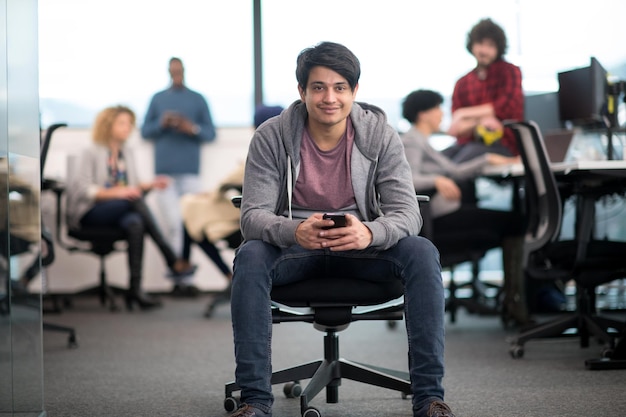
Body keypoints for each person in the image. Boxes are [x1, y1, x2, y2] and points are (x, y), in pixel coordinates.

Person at [228, 42, 455, 417]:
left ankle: (429, 398)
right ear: (302, 92)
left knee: (421, 250)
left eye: (340, 87)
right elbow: (252, 216)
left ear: (354, 92)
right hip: (295, 250)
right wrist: (294, 231)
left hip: (362, 247)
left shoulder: (379, 135)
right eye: (318, 87)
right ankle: (254, 402)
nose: (329, 97)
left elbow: (407, 213)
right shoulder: (272, 136)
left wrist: (370, 232)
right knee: (250, 254)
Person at [400, 89, 529, 325]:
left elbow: (456, 172)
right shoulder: (412, 141)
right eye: (438, 108)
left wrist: (488, 159)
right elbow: (408, 179)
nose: (442, 114)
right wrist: (437, 180)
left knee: (511, 221)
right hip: (436, 220)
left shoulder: (421, 141)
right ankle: (515, 303)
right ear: (424, 114)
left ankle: (513, 300)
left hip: (442, 214)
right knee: (515, 221)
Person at [66, 105, 195, 310]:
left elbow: (133, 187)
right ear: (108, 125)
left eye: (130, 123)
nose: (128, 128)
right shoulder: (91, 151)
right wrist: (118, 193)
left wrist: (151, 184)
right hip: (91, 212)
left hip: (121, 210)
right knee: (133, 201)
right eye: (123, 123)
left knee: (135, 223)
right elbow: (82, 190)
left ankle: (135, 291)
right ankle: (171, 258)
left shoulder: (127, 152)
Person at [179, 104, 284, 310]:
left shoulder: (264, 149)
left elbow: (225, 183)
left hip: (252, 225)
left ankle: (219, 273)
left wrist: (213, 193)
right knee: (195, 217)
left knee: (192, 216)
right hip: (267, 220)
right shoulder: (283, 147)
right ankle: (222, 274)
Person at [140, 57, 216, 293]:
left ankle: (187, 279)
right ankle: (179, 280)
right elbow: (145, 131)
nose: (176, 74)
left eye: (179, 70)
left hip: (190, 174)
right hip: (165, 174)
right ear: (168, 72)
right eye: (172, 71)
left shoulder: (197, 99)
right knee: (173, 224)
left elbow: (210, 133)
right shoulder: (158, 99)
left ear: (183, 71)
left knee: (193, 226)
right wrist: (161, 124)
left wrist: (190, 128)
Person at [445, 18, 524, 163]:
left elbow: (504, 108)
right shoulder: (462, 83)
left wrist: (462, 114)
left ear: (498, 48)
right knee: (437, 161)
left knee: (458, 165)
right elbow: (456, 128)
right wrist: (480, 121)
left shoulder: (510, 72)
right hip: (467, 143)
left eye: (491, 45)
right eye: (480, 44)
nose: (484, 50)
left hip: (504, 145)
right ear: (472, 45)